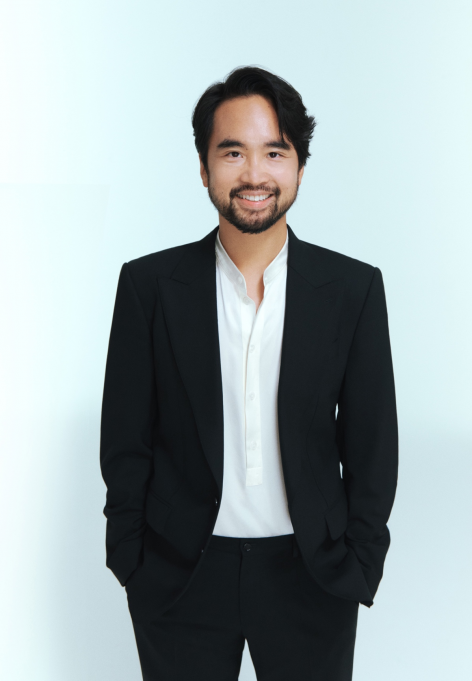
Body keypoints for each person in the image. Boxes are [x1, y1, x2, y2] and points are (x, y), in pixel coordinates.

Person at [100, 65, 398, 681]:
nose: (254, 174)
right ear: (204, 167)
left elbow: (372, 445)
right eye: (233, 152)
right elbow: (125, 440)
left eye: (275, 152)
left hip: (312, 575)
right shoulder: (149, 287)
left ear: (300, 168)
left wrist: (361, 562)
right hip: (181, 576)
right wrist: (131, 560)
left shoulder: (352, 290)